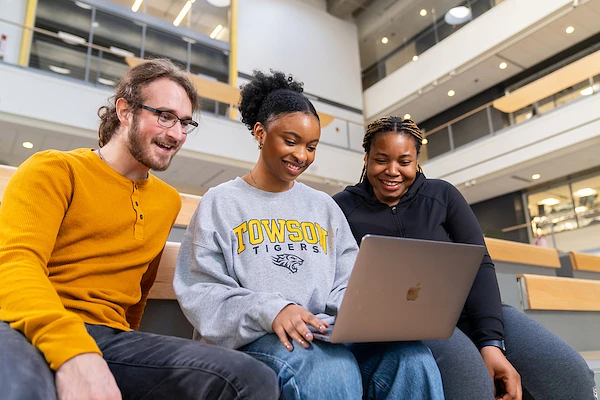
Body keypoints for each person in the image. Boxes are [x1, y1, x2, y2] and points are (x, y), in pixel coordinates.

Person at [0, 59, 278, 400]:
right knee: (22, 391)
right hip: (25, 325)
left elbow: (136, 297)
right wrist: (75, 352)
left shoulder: (166, 201)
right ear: (125, 111)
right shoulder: (53, 170)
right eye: (164, 115)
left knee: (250, 379)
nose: (176, 133)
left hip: (112, 341)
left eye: (185, 122)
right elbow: (16, 267)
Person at [174, 71, 445, 400]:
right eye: (291, 141)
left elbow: (349, 280)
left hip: (323, 334)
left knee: (412, 360)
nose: (301, 155)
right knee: (331, 369)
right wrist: (274, 310)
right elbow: (202, 291)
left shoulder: (324, 207)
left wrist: (360, 316)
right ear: (260, 133)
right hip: (252, 341)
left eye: (311, 146)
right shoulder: (222, 201)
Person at [333, 116, 597, 400]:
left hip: (469, 309)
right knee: (474, 387)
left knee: (570, 374)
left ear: (417, 161)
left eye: (404, 161)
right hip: (410, 323)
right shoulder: (341, 207)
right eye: (381, 160)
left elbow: (480, 264)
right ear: (366, 159)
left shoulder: (442, 194)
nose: (392, 171)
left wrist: (492, 341)